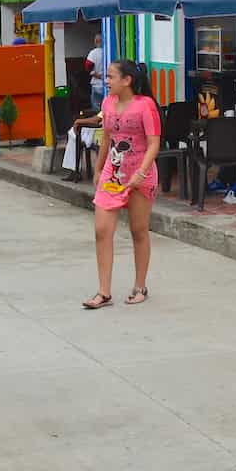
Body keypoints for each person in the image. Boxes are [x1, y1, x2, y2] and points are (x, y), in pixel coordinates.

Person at [82, 59, 159, 309]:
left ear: (127, 80)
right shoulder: (107, 104)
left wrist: (141, 172)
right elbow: (107, 139)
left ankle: (140, 286)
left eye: (112, 76)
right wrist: (97, 168)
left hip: (139, 175)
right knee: (101, 231)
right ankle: (103, 292)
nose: (107, 81)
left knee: (139, 231)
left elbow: (154, 143)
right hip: (112, 176)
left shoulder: (145, 106)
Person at [85, 34, 107, 107]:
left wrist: (94, 73)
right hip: (109, 84)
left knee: (97, 108)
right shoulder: (109, 51)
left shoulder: (93, 53)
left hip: (96, 84)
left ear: (96, 41)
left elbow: (87, 67)